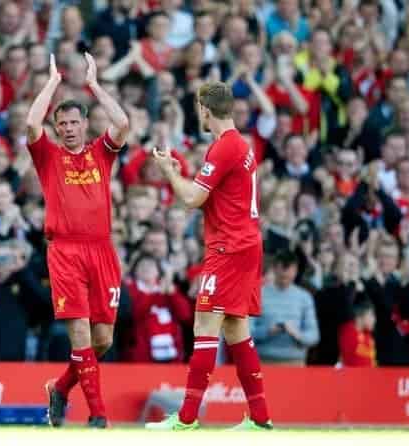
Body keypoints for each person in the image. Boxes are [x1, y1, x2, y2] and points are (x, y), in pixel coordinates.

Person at [146, 81, 272, 430]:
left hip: (228, 247)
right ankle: (260, 418)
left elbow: (190, 199)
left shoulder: (224, 148)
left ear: (204, 108)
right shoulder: (240, 145)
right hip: (245, 244)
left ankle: (186, 419)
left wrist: (170, 172)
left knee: (205, 327)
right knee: (236, 330)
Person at [25, 53, 129, 428]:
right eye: (62, 123)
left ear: (85, 124)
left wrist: (95, 85)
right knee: (81, 335)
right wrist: (52, 83)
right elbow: (30, 122)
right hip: (65, 252)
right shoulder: (49, 157)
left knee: (102, 341)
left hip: (102, 251)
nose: (68, 128)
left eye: (73, 121)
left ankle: (61, 387)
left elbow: (121, 122)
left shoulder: (101, 153)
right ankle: (98, 416)